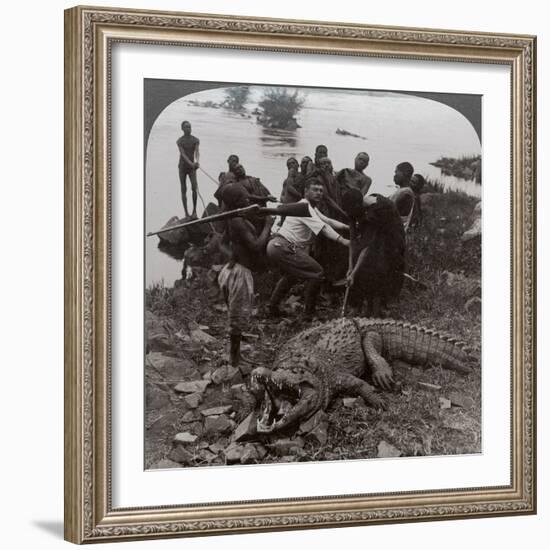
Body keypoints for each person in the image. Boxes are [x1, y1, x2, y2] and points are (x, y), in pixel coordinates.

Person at [267, 179, 350, 319]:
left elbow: (327, 221)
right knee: (317, 273)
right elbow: (324, 229)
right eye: (315, 190)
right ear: (306, 191)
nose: (319, 193)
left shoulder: (310, 208)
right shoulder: (304, 209)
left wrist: (347, 227)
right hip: (283, 246)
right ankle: (309, 313)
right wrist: (343, 241)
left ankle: (272, 308)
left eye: (321, 190)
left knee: (291, 276)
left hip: (277, 246)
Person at [217, 183, 274, 373]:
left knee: (235, 315)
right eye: (244, 198)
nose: (248, 199)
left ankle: (236, 354)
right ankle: (234, 359)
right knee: (237, 317)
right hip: (239, 274)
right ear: (236, 202)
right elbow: (257, 246)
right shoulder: (238, 222)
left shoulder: (233, 218)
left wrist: (232, 255)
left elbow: (222, 243)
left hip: (231, 270)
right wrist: (267, 225)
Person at [176, 121, 200, 218]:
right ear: (182, 129)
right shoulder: (179, 141)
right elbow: (183, 154)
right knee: (183, 189)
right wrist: (191, 164)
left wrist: (197, 162)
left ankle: (194, 211)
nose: (188, 129)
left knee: (194, 188)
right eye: (186, 127)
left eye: (189, 127)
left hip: (192, 168)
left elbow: (197, 152)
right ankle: (186, 213)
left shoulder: (195, 140)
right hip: (182, 167)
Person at [390, 161, 416, 230]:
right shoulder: (402, 191)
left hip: (394, 233)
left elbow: (398, 217)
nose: (394, 175)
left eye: (396, 172)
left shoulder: (406, 194)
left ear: (405, 173)